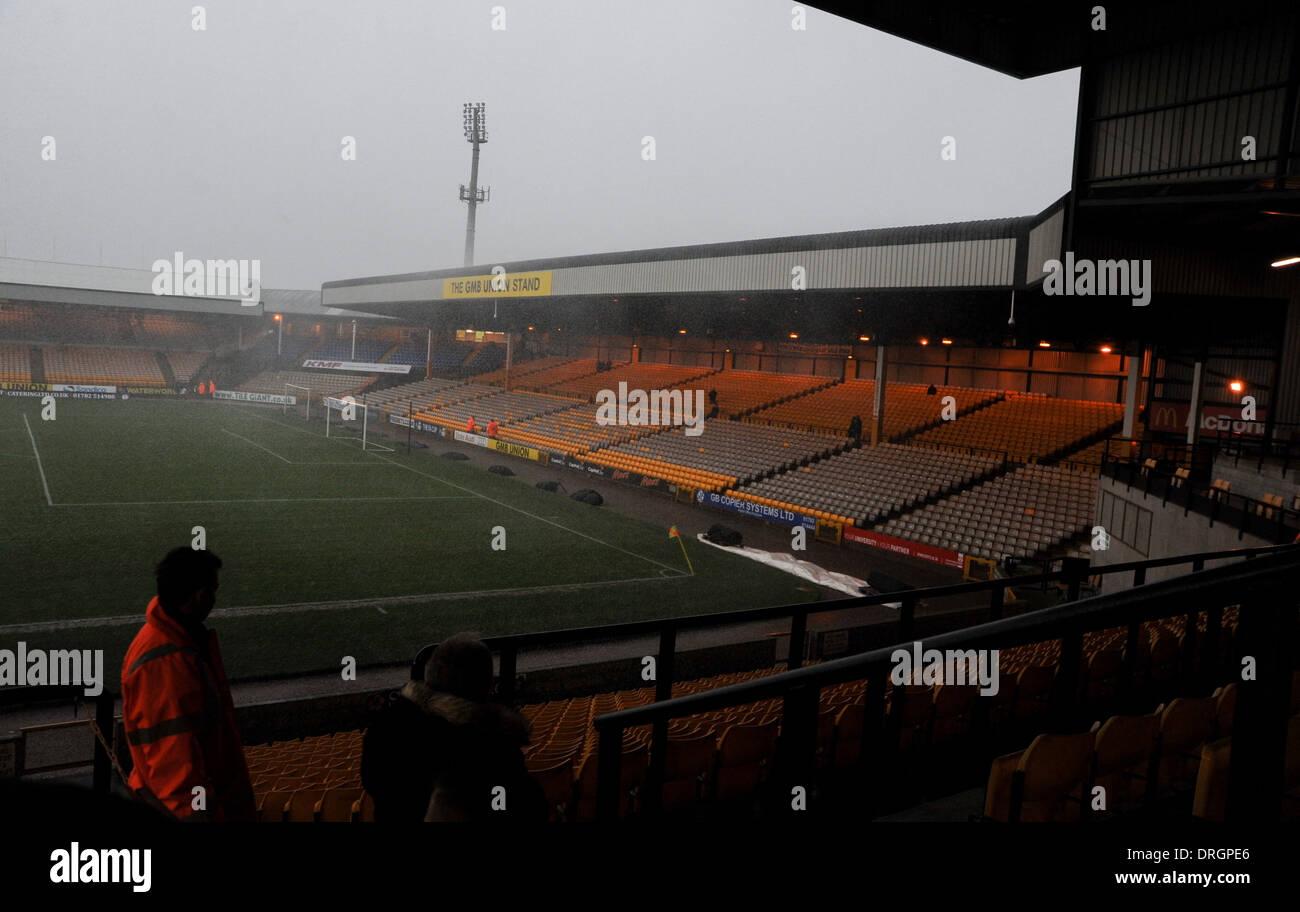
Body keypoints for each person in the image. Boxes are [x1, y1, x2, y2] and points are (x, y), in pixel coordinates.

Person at [121, 547, 255, 821]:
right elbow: (177, 770)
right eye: (213, 589)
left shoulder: (176, 644)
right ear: (200, 594)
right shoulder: (166, 663)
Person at [362, 632, 546, 822]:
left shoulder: (387, 730)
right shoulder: (499, 748)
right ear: (489, 686)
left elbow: (374, 782)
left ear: (429, 677)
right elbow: (530, 807)